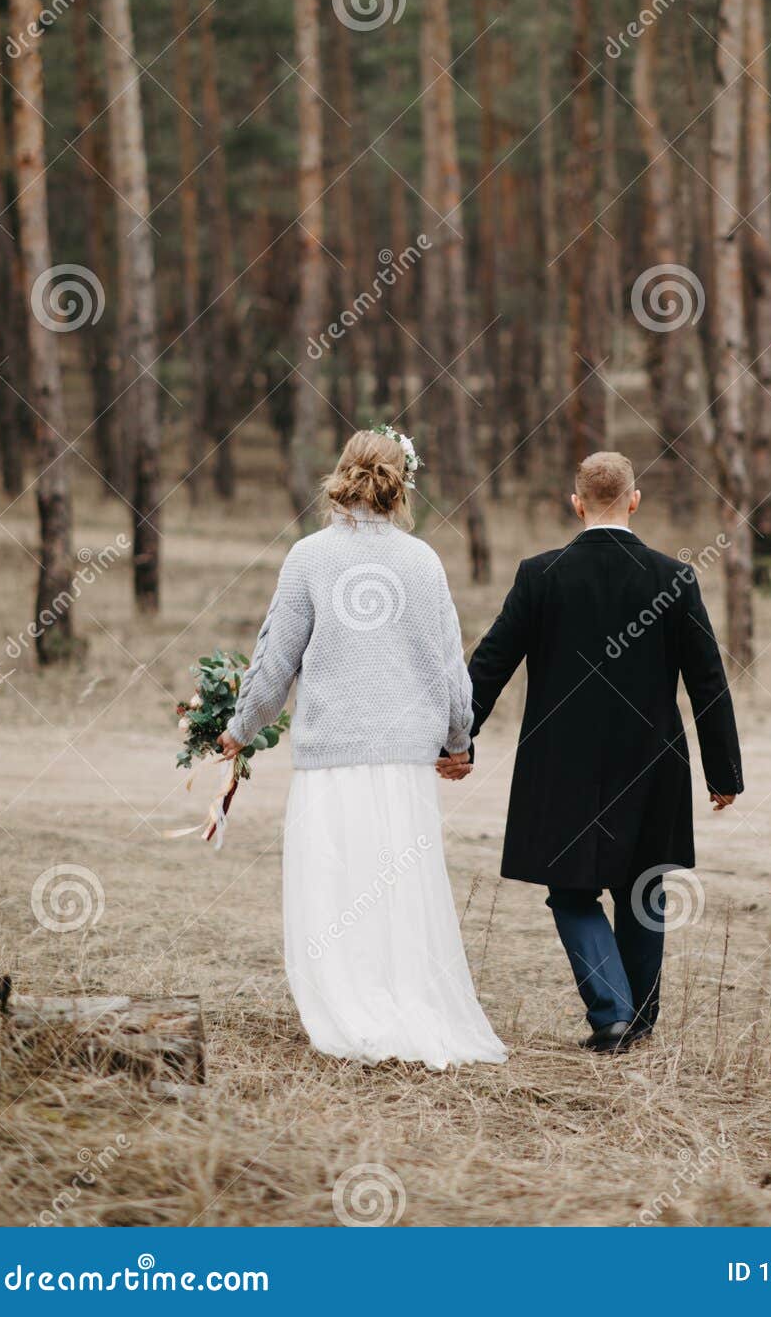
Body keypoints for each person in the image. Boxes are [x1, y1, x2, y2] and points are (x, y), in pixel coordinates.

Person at [219, 427, 506, 1070]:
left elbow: (274, 664)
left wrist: (240, 729)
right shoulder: (422, 561)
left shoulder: (309, 557)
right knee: (398, 887)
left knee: (335, 882)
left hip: (333, 754)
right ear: (401, 483)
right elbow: (447, 666)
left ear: (341, 475)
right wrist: (457, 742)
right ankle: (403, 1001)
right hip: (404, 760)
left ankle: (350, 1005)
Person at [439, 450, 742, 1055]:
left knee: (571, 890)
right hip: (652, 758)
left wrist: (459, 741)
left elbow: (491, 663)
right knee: (643, 887)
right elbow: (708, 679)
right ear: (634, 500)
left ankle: (613, 1014)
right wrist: (723, 771)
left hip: (562, 760)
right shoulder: (673, 578)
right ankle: (637, 1019)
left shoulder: (540, 575)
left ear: (576, 503)